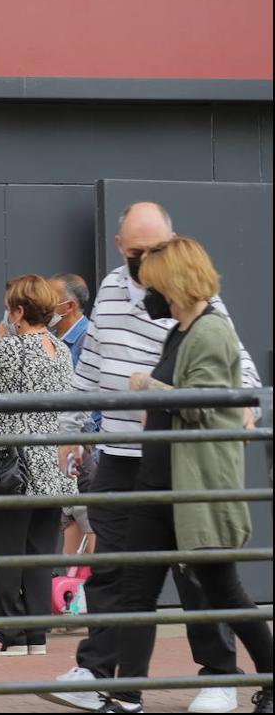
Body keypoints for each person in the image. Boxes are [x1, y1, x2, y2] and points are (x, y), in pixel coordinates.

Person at [43, 203, 262, 714]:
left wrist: (241, 403)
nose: (146, 262)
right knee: (119, 573)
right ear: (120, 247)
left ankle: (219, 675)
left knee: (201, 575)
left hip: (178, 461)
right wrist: (71, 429)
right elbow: (91, 365)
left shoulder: (192, 300)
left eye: (156, 250)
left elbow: (237, 367)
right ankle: (102, 673)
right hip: (122, 455)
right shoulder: (114, 294)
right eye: (137, 252)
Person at [101, 238, 272, 714]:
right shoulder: (180, 330)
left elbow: (202, 401)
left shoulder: (211, 333)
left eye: (151, 285)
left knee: (222, 590)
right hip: (159, 484)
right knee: (137, 591)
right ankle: (124, 695)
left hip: (195, 491)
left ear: (172, 284)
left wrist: (145, 385)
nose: (146, 296)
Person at [0, 275, 76, 656]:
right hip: (52, 470)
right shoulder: (61, 350)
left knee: (0, 546)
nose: (7, 315)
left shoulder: (9, 348)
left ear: (19, 312)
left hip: (9, 468)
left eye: (10, 308)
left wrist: (1, 340)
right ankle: (34, 634)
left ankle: (6, 634)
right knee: (38, 552)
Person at [49, 274, 97, 563]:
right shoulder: (55, 341)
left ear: (69, 306)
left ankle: (89, 597)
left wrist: (85, 441)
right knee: (70, 519)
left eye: (50, 295)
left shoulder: (86, 339)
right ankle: (72, 598)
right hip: (66, 447)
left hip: (85, 448)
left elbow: (93, 397)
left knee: (90, 522)